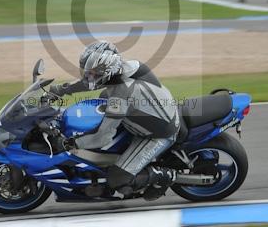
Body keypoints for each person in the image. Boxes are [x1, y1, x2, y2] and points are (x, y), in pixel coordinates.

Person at [48, 41, 179, 201]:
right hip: (158, 110)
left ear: (108, 70)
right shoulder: (129, 66)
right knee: (104, 96)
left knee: (118, 179)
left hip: (158, 134)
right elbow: (90, 83)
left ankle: (164, 176)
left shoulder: (120, 93)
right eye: (87, 72)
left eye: (93, 73)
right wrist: (60, 90)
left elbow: (102, 137)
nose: (88, 76)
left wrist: (69, 144)